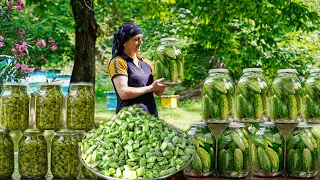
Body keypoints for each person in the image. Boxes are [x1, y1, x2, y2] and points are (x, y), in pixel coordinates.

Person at [108, 22, 166, 117]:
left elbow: (158, 92)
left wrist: (167, 81)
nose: (141, 42)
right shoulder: (118, 62)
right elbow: (123, 92)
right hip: (129, 119)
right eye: (136, 39)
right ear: (125, 43)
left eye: (141, 39)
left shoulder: (146, 62)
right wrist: (150, 88)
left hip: (151, 119)